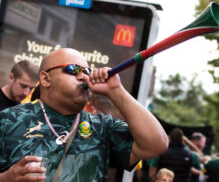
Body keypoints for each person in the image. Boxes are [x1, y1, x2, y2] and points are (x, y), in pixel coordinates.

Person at [0, 48, 168, 182]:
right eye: (73, 70)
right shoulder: (8, 120)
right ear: (45, 79)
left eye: (87, 71)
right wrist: (6, 178)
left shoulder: (102, 126)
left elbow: (156, 144)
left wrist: (116, 91)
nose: (83, 76)